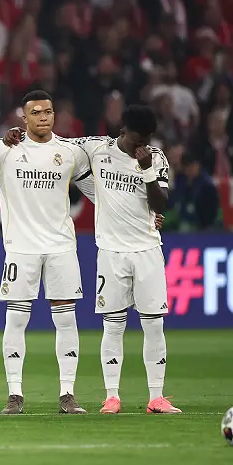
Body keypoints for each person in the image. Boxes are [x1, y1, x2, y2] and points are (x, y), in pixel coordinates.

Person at [0, 90, 93, 415]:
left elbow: (93, 189)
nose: (43, 117)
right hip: (21, 248)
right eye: (36, 112)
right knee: (16, 318)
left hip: (61, 246)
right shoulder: (8, 150)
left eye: (48, 111)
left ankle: (67, 394)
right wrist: (1, 142)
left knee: (66, 319)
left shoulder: (69, 152)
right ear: (24, 118)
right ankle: (15, 395)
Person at [71, 105, 180, 414]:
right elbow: (60, 146)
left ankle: (156, 397)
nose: (140, 147)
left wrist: (145, 169)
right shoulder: (97, 149)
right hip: (111, 252)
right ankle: (112, 397)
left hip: (147, 250)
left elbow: (160, 203)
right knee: (114, 326)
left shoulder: (155, 159)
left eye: (146, 140)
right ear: (123, 131)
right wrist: (24, 137)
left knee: (153, 325)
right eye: (136, 141)